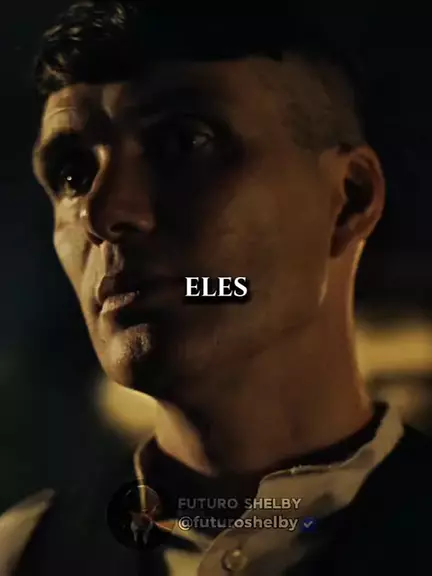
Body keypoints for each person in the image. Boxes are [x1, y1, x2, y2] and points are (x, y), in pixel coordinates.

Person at [1, 1, 431, 574]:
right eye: (73, 173)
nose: (103, 214)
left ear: (349, 199)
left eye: (183, 143)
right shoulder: (22, 554)